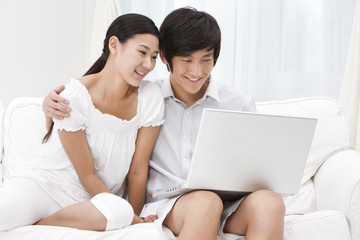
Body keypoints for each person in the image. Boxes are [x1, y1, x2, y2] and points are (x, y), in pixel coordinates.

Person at [43, 7, 285, 240]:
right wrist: (48, 107)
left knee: (270, 203)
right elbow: (96, 107)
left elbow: (257, 166)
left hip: (230, 204)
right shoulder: (147, 98)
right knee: (205, 203)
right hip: (168, 206)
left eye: (206, 60)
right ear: (166, 58)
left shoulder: (238, 103)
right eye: (187, 60)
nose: (197, 71)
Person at [0, 13, 164, 232]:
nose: (148, 64)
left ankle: (43, 224)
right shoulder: (74, 96)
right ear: (114, 45)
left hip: (95, 204)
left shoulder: (149, 97)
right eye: (142, 52)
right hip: (44, 186)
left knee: (121, 211)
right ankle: (39, 219)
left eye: (153, 56)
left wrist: (133, 218)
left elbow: (137, 170)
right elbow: (87, 175)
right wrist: (135, 220)